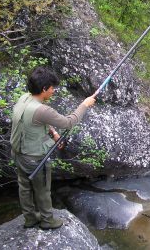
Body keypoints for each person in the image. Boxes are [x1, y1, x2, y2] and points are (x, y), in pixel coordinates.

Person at [10, 66, 96, 229]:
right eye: (52, 88)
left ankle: (29, 218)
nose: (53, 91)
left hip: (17, 152)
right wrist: (84, 104)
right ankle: (48, 220)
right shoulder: (43, 109)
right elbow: (69, 122)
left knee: (24, 187)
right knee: (42, 190)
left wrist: (53, 133)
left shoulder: (24, 98)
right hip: (34, 158)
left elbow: (34, 120)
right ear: (44, 89)